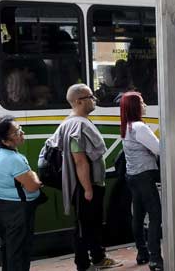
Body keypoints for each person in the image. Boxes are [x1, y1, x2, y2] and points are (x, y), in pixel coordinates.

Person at [50, 84, 122, 271]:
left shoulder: (73, 121)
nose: (95, 99)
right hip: (85, 186)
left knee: (92, 224)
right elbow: (80, 161)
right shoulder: (77, 125)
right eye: (91, 96)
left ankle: (98, 257)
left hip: (87, 184)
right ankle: (84, 264)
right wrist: (88, 188)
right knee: (84, 226)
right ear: (79, 101)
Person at [0, 116, 42, 271]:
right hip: (17, 210)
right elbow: (33, 185)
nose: (22, 133)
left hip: (0, 205)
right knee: (20, 250)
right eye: (17, 132)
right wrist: (34, 175)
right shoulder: (13, 159)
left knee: (9, 248)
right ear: (5, 140)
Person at [120, 92, 163, 270]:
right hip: (145, 176)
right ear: (134, 107)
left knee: (138, 215)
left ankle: (142, 252)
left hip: (132, 176)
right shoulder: (140, 127)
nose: (145, 105)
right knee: (155, 215)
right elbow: (159, 149)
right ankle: (155, 258)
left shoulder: (127, 126)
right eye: (142, 102)